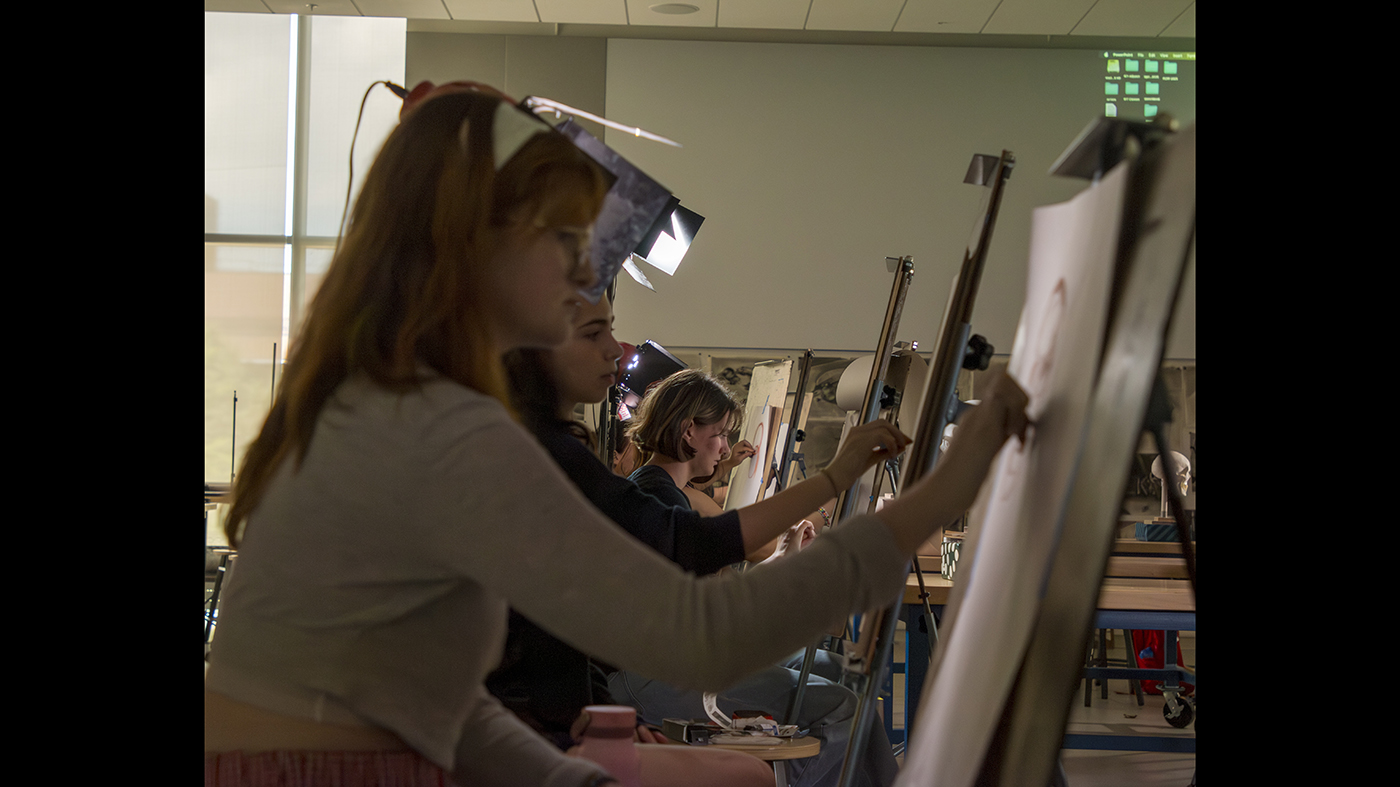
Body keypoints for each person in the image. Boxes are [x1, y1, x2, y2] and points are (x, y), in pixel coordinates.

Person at [203, 81, 1031, 787]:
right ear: (476, 241)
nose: (583, 273)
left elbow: (426, 698)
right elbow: (703, 637)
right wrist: (947, 488)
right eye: (564, 241)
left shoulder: (380, 398)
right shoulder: (443, 429)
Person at [615, 366, 900, 787]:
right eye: (721, 433)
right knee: (844, 706)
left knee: (849, 675)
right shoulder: (655, 495)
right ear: (689, 432)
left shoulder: (665, 489)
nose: (726, 448)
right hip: (659, 674)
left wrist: (782, 558)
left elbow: (718, 594)